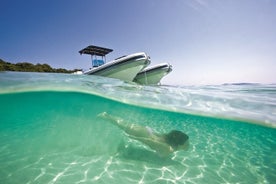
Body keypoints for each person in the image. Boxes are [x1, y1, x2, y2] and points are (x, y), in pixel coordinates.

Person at [98, 112, 189, 157]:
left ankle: (106, 115)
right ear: (180, 143)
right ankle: (105, 115)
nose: (188, 144)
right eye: (187, 142)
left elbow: (155, 140)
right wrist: (135, 138)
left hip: (148, 132)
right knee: (122, 124)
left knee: (123, 124)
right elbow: (150, 142)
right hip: (144, 134)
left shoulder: (172, 146)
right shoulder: (168, 149)